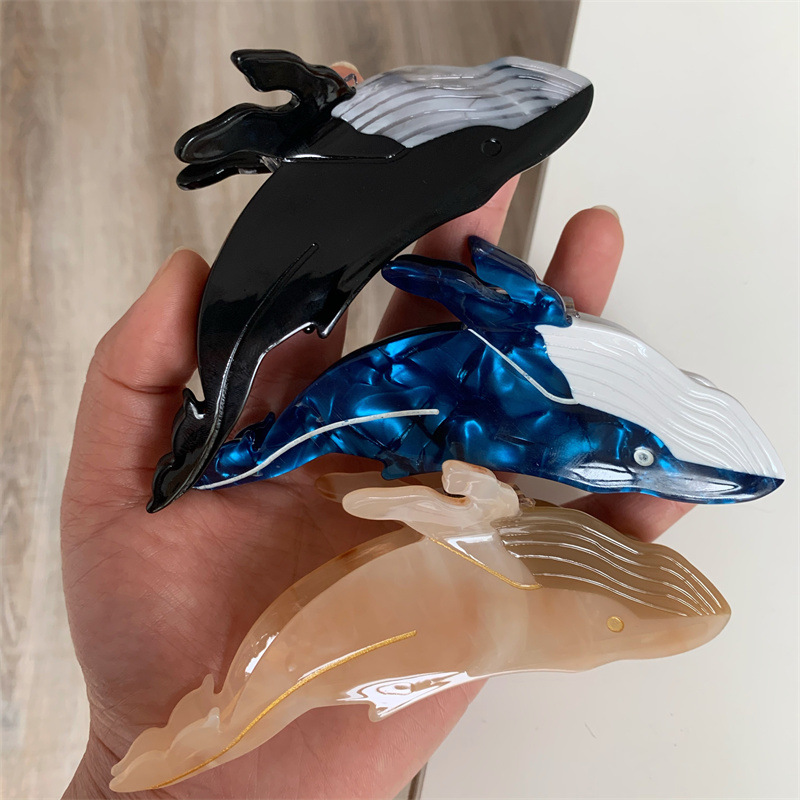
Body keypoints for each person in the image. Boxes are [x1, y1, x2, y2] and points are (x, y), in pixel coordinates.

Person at [60, 139, 690, 798]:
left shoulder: (507, 549)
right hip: (390, 426)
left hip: (403, 479)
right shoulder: (509, 512)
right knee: (302, 439)